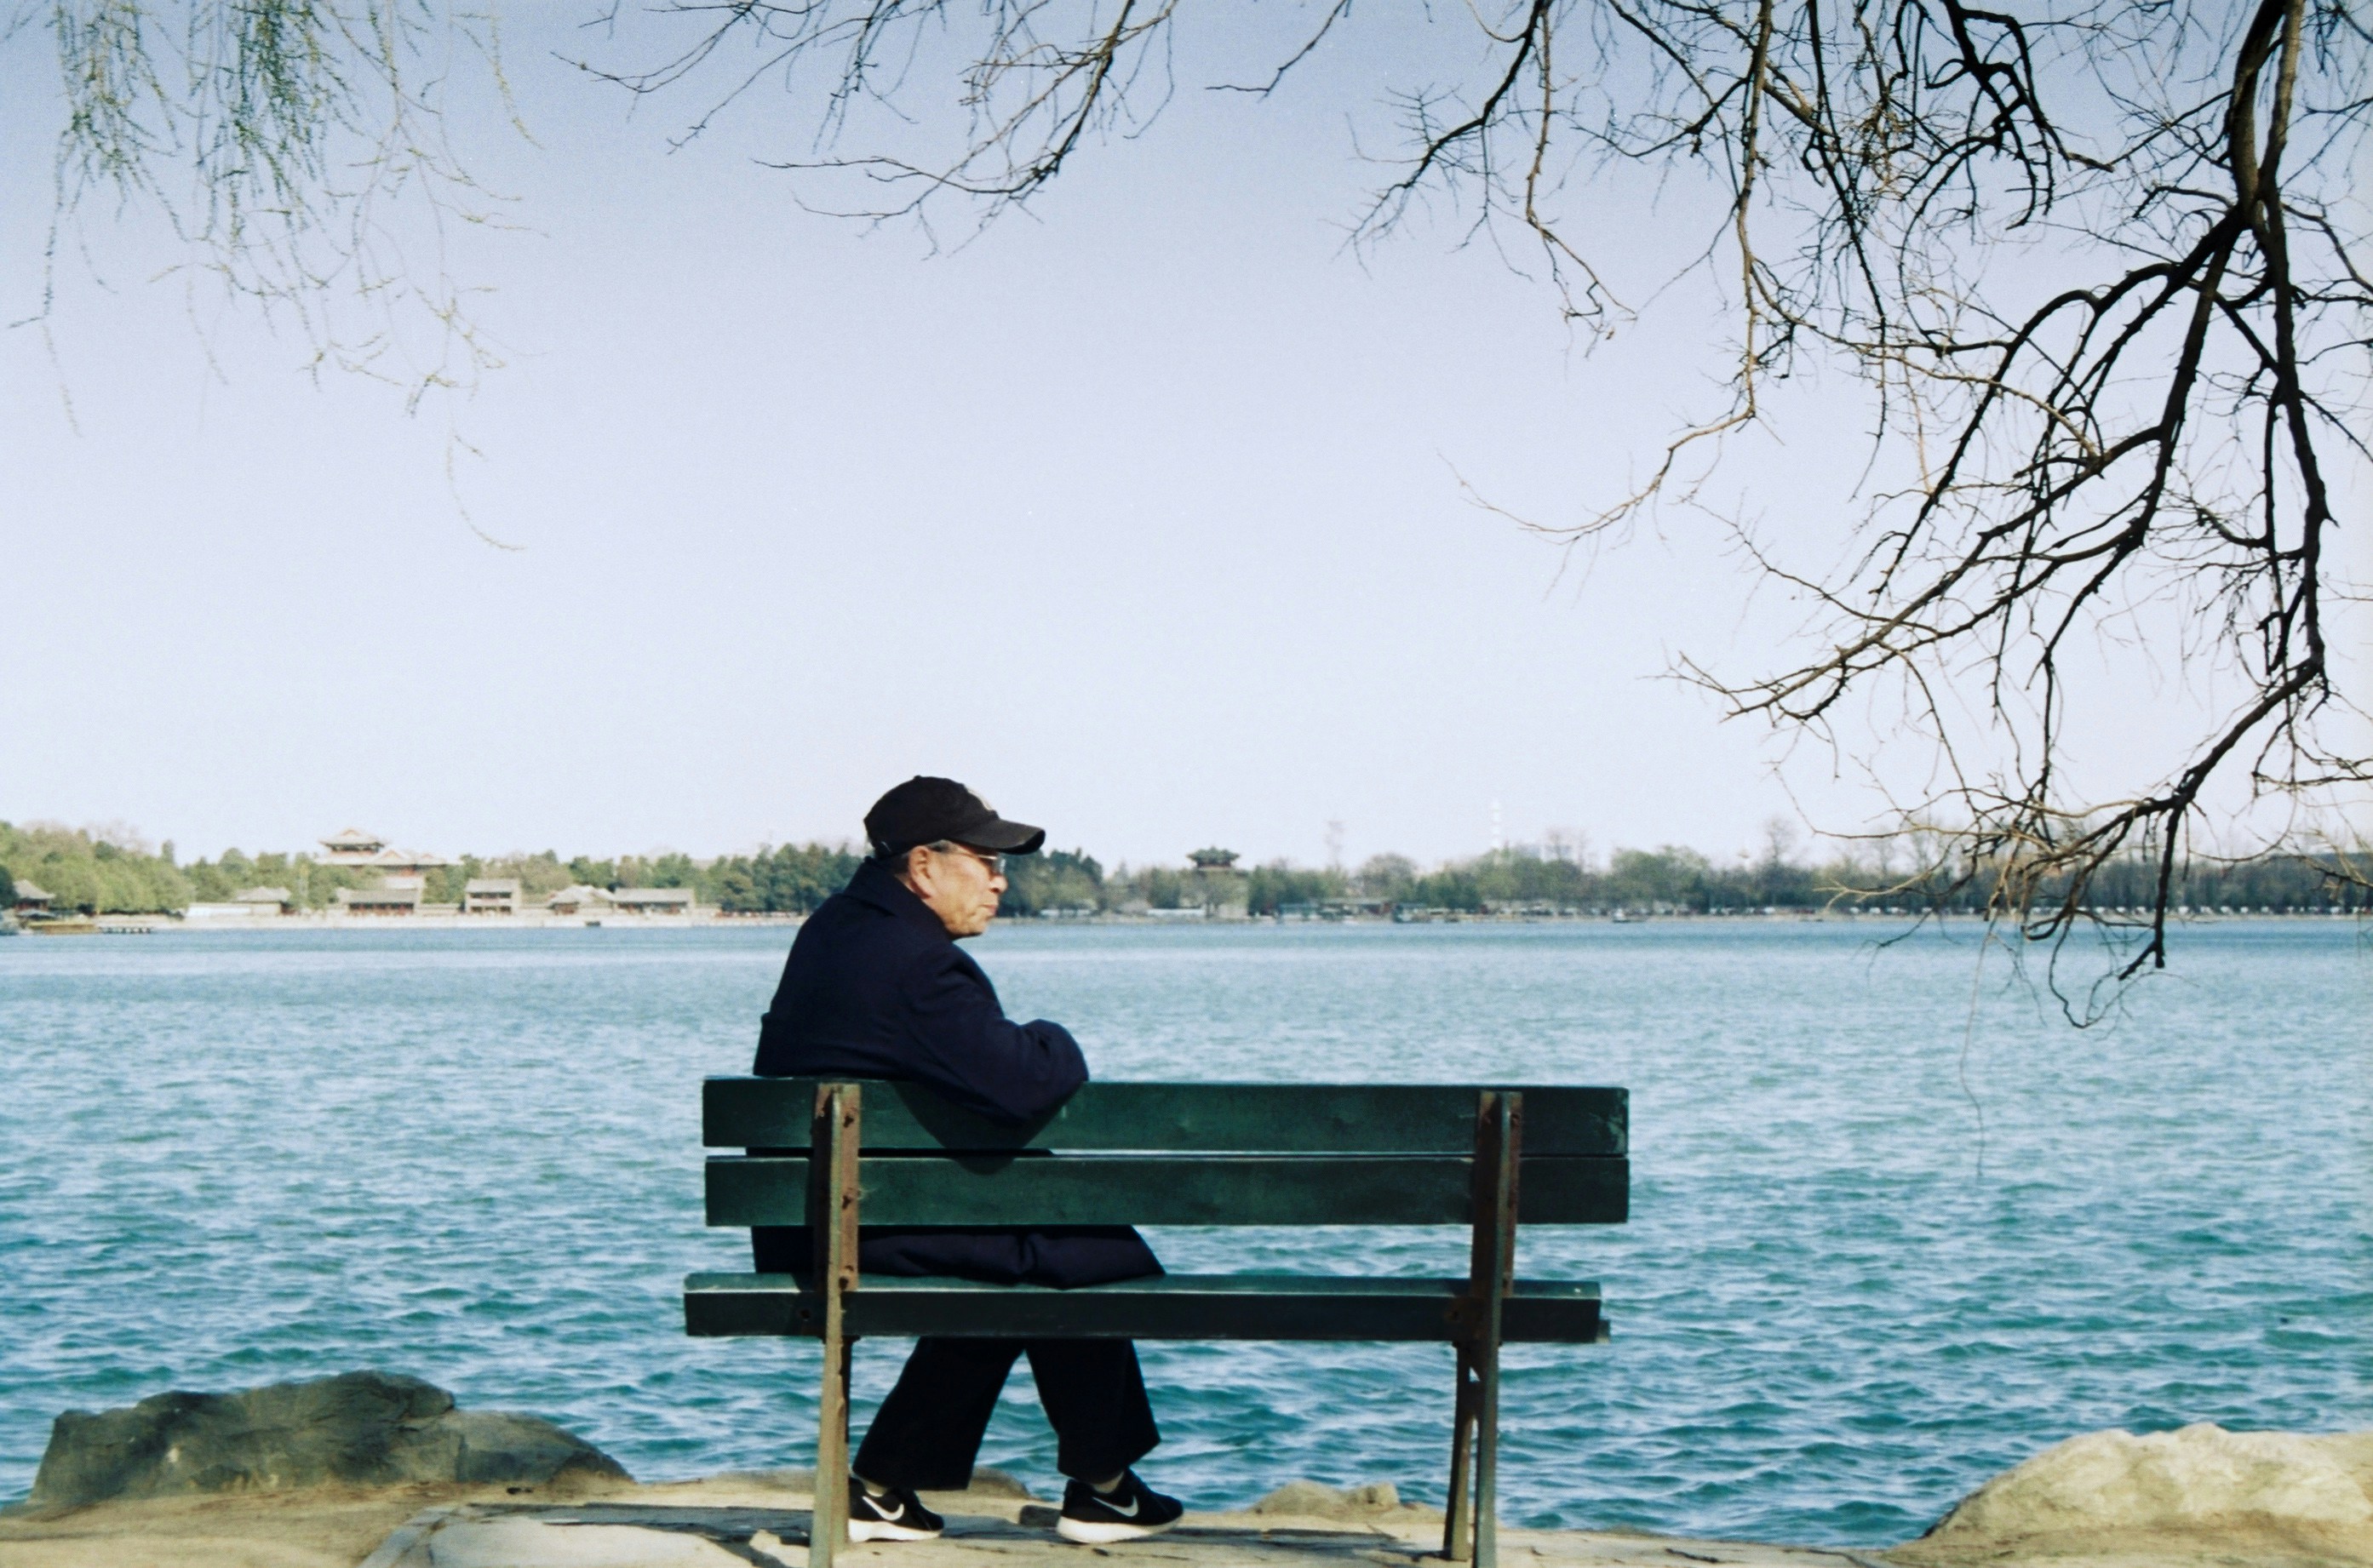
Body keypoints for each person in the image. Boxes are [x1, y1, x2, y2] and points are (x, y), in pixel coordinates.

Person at [752, 775, 1187, 1545]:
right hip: (867, 1224)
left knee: (1030, 1257)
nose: (999, 880)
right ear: (924, 867)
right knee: (1083, 1251)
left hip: (811, 1216)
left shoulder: (833, 931)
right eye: (986, 861)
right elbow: (1023, 1083)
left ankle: (887, 1488)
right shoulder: (917, 964)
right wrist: (1055, 1034)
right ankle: (1103, 1486)